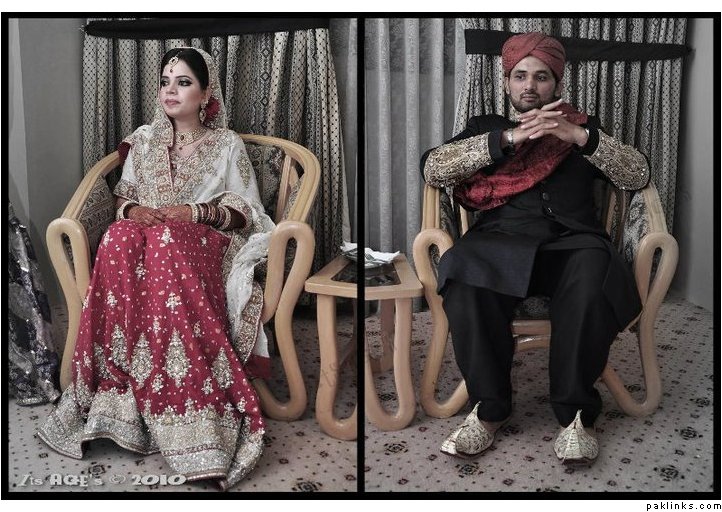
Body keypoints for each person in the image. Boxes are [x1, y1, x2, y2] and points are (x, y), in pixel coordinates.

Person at [38, 47, 275, 489]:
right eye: (166, 81)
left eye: (183, 82)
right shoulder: (144, 140)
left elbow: (246, 211)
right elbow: (123, 197)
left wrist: (195, 213)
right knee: (117, 235)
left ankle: (191, 409)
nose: (171, 90)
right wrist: (134, 212)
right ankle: (116, 393)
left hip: (202, 245)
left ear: (206, 93)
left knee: (166, 239)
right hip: (149, 245)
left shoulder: (227, 144)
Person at [421, 32, 650, 464]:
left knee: (594, 275)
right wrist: (507, 140)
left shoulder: (583, 128)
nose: (530, 85)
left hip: (573, 244)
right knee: (464, 272)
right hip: (499, 242)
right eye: (520, 75)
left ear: (557, 83)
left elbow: (636, 174)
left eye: (541, 77)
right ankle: (489, 410)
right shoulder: (485, 127)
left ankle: (576, 415)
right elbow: (434, 169)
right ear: (507, 82)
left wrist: (579, 136)